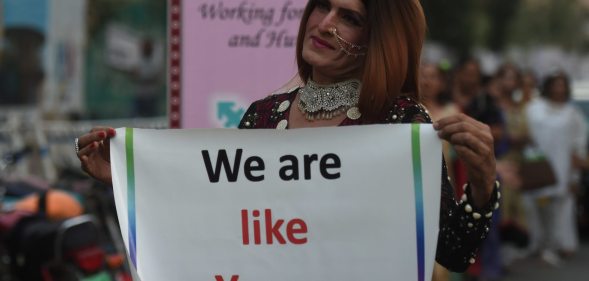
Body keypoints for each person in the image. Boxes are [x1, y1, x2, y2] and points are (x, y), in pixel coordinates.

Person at [74, 0, 499, 275]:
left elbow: (453, 251)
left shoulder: (399, 123)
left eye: (349, 18)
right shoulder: (262, 115)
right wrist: (130, 181)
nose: (325, 23)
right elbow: (221, 221)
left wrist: (481, 184)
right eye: (322, 7)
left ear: (377, 41)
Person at [523, 71, 587, 265]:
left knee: (558, 209)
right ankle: (534, 244)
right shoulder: (533, 109)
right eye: (555, 84)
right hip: (536, 168)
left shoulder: (573, 114)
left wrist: (574, 176)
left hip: (561, 170)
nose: (559, 89)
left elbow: (579, 146)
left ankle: (554, 246)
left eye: (562, 85)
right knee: (534, 206)